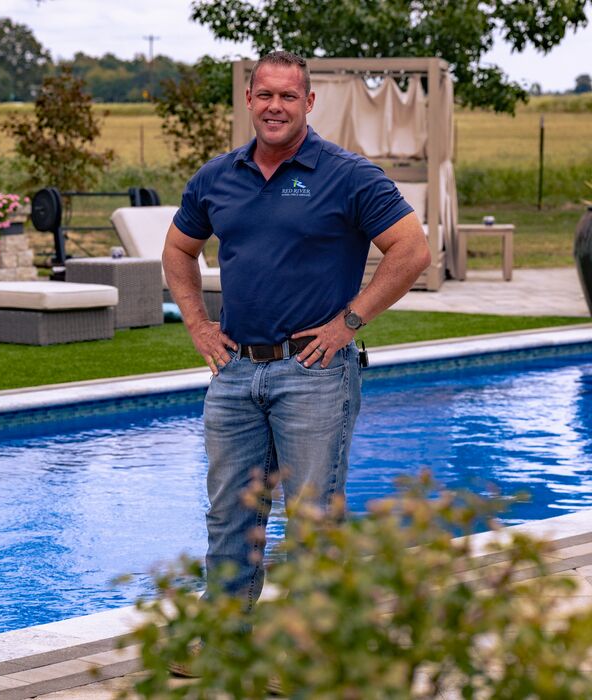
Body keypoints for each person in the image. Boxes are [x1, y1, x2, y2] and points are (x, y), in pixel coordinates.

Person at [162, 50, 431, 606]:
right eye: (265, 95)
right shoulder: (217, 177)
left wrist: (349, 322)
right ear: (249, 100)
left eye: (288, 96)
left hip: (315, 373)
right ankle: (226, 641)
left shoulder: (348, 175)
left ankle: (308, 652)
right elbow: (178, 248)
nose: (275, 106)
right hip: (235, 374)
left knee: (312, 521)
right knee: (230, 516)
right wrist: (197, 324)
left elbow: (412, 249)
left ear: (308, 102)